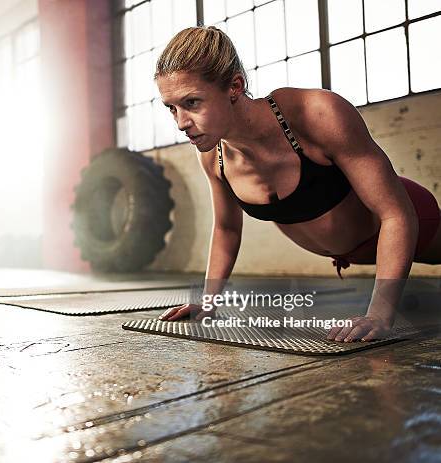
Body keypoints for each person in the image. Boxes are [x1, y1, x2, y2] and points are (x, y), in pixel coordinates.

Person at [154, 26, 441, 342]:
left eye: (192, 102)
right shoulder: (214, 156)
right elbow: (227, 229)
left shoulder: (316, 115)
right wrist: (208, 304)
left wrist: (379, 314)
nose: (181, 123)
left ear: (234, 86)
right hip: (354, 252)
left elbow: (396, 214)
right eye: (172, 108)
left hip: (414, 222)